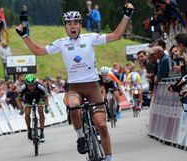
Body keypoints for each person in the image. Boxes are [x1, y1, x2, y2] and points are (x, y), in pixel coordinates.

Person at [15, 3, 134, 161]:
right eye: (69, 23)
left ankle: (109, 157)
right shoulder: (61, 43)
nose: (73, 26)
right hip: (74, 88)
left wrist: (127, 15)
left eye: (76, 23)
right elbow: (37, 51)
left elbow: (116, 35)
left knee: (102, 125)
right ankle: (80, 137)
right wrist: (24, 35)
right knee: (72, 105)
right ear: (65, 26)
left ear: (80, 25)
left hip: (93, 88)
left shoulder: (90, 38)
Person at [16, 74, 49, 142]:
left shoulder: (39, 86)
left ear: (35, 83)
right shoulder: (23, 87)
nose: (31, 87)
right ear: (26, 84)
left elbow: (46, 97)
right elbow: (18, 99)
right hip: (28, 98)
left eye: (33, 85)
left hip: (38, 97)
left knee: (40, 110)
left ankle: (42, 132)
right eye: (29, 85)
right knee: (27, 113)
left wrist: (46, 107)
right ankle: (29, 130)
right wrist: (21, 109)